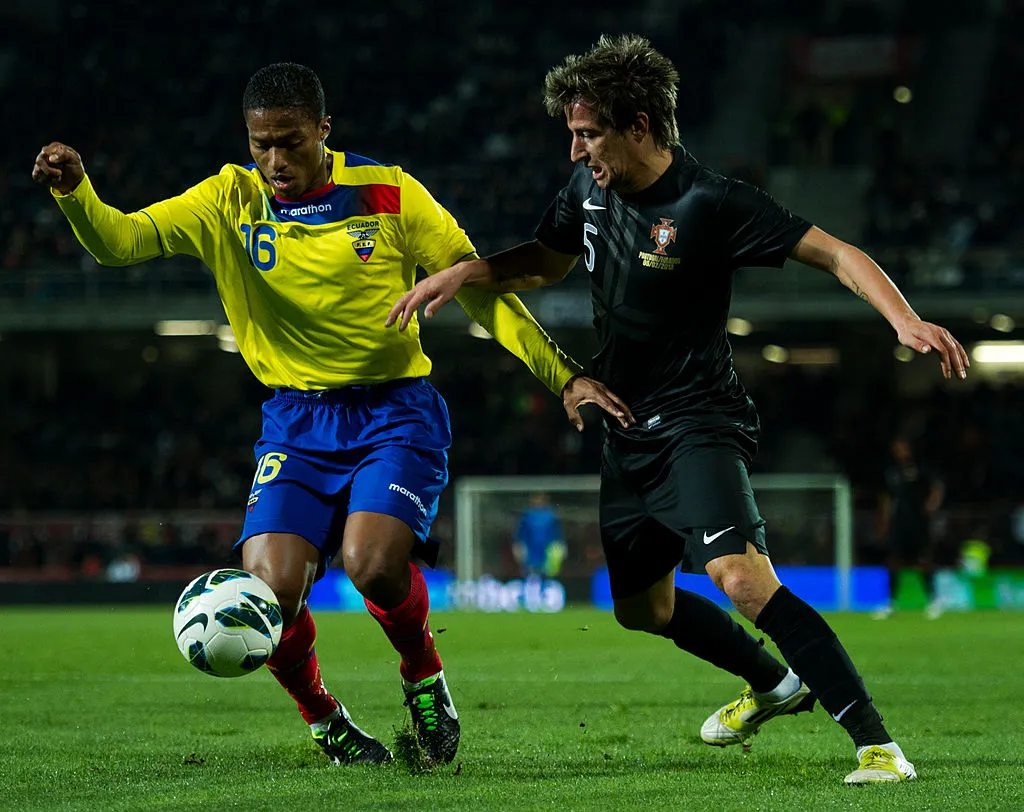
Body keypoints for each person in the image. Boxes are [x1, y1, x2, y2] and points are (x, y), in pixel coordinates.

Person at [387, 34, 971, 784]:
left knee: (739, 577)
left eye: (587, 133)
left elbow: (833, 252)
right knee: (642, 608)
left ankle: (878, 747)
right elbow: (547, 258)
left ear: (639, 126)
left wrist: (903, 319)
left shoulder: (711, 202)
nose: (574, 151)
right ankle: (774, 684)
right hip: (625, 430)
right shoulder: (588, 193)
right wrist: (470, 271)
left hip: (699, 421)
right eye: (571, 133)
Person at [32, 62, 632, 768]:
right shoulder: (228, 199)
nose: (276, 161)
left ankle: (425, 682)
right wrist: (77, 193)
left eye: (291, 142)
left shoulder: (388, 192)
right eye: (262, 145)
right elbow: (121, 241)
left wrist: (562, 375)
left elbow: (481, 290)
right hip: (295, 420)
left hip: (394, 411)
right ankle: (326, 720)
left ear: (324, 130)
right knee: (272, 593)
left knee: (372, 565)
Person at [874, 436, 945, 619]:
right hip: (899, 523)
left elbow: (937, 487)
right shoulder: (891, 472)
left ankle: (933, 600)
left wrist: (932, 505)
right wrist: (884, 521)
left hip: (919, 522)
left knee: (924, 561)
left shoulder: (921, 468)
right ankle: (891, 603)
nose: (900, 451)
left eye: (903, 447)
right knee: (894, 561)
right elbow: (886, 498)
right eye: (897, 448)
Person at [513, 492, 567, 578]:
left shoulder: (551, 516)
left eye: (540, 498)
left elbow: (558, 537)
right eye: (535, 498)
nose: (537, 501)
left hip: (548, 557)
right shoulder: (526, 517)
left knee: (547, 577)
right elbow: (520, 537)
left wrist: (560, 550)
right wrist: (518, 549)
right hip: (530, 558)